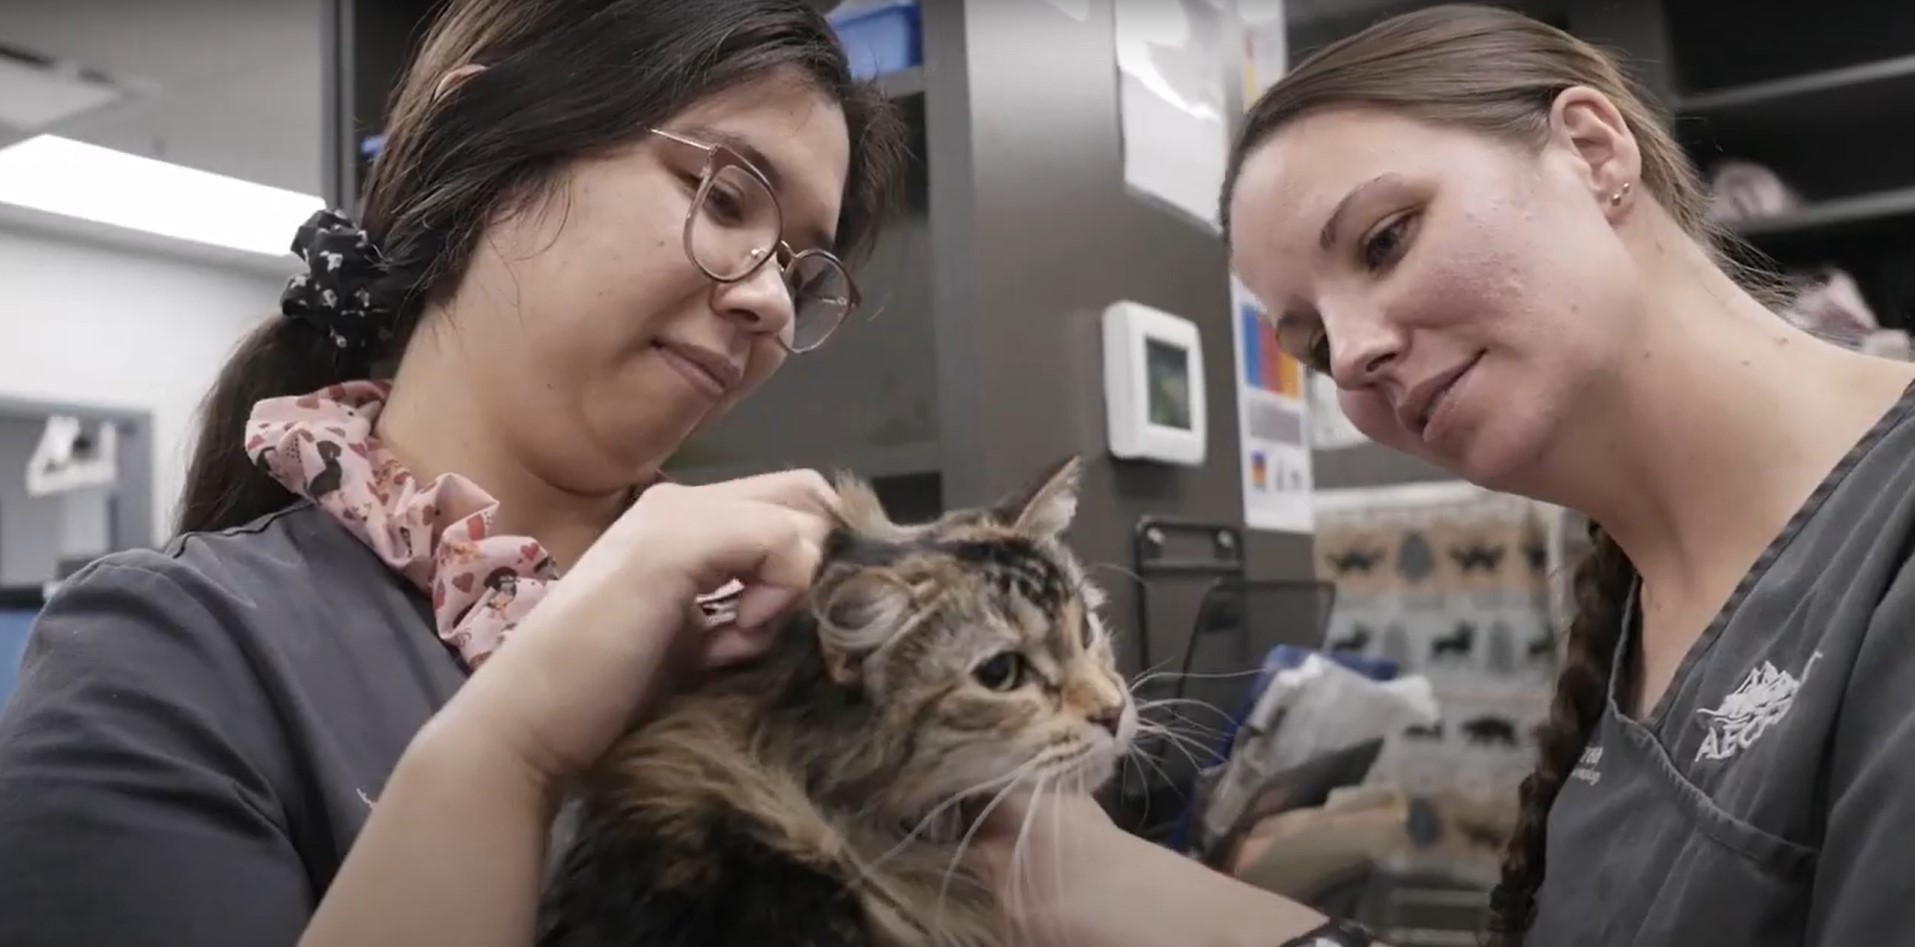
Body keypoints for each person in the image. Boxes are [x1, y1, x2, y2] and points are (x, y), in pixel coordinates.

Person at [977, 5, 1915, 947]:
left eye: (1384, 239)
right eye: (1310, 345)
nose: (1349, 358)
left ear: (1592, 152)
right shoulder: (1636, 601)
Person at [0, 1, 907, 945]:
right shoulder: (165, 656)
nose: (767, 298)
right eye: (723, 198)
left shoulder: (772, 635)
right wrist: (515, 747)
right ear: (486, 150)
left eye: (802, 277)